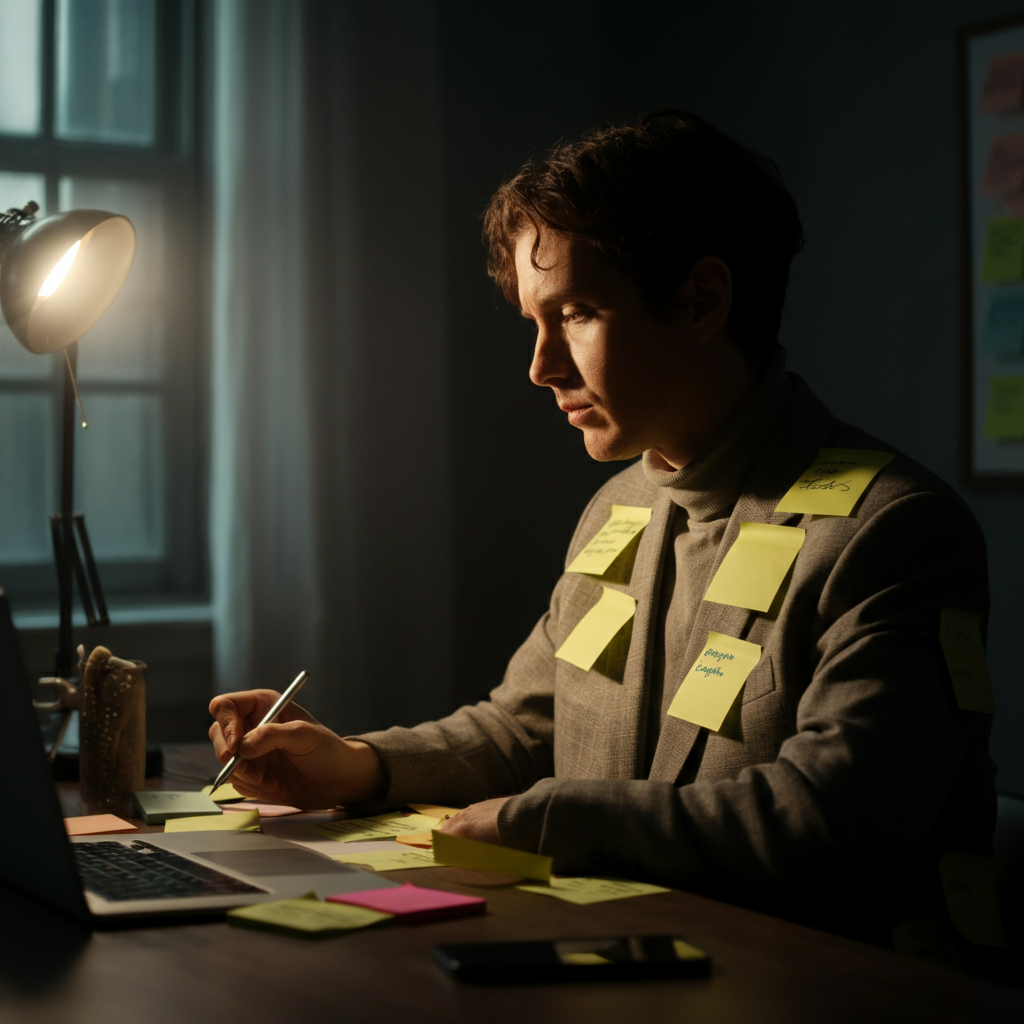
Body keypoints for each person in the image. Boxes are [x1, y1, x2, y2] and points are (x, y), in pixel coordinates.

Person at [209, 111, 995, 942]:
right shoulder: (622, 506)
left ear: (701, 301)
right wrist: (360, 766)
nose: (540, 367)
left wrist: (547, 822)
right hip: (641, 966)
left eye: (577, 312)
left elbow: (830, 827)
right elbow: (525, 727)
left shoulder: (896, 529)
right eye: (534, 322)